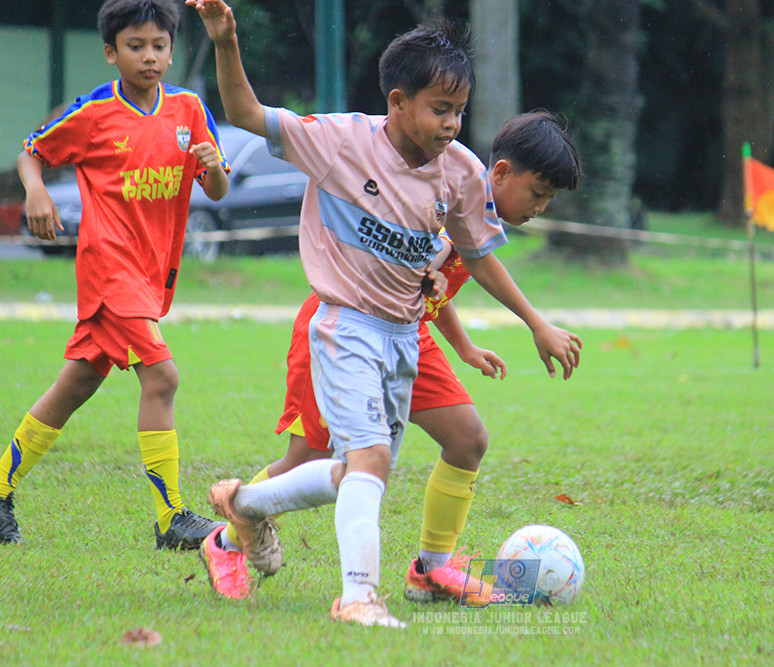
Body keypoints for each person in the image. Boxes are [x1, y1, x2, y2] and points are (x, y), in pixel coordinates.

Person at [187, 0, 581, 628]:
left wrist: (534, 323)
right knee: (357, 460)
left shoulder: (462, 175)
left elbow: (475, 258)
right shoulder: (340, 141)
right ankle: (358, 597)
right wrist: (225, 41)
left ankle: (246, 506)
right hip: (344, 325)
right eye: (439, 109)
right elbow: (243, 114)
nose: (452, 124)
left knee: (356, 468)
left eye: (459, 111)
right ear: (398, 102)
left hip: (403, 334)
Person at [0, 0, 230, 550]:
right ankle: (170, 517)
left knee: (75, 385)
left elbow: (217, 190)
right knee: (163, 376)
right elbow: (33, 152)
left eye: (159, 46)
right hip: (109, 268)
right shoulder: (93, 112)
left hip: (152, 276)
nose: (149, 57)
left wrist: (214, 166)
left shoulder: (190, 110)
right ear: (110, 52)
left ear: (171, 50)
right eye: (135, 46)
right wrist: (34, 189)